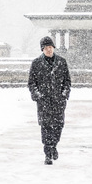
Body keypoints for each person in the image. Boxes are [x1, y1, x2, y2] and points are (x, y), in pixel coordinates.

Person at [28, 35, 72, 165]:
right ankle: (47, 153)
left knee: (58, 126)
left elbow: (67, 81)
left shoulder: (61, 62)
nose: (49, 50)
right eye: (46, 47)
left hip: (58, 101)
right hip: (44, 102)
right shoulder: (36, 63)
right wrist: (37, 96)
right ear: (42, 49)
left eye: (51, 47)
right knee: (46, 127)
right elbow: (31, 83)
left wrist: (64, 94)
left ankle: (54, 145)